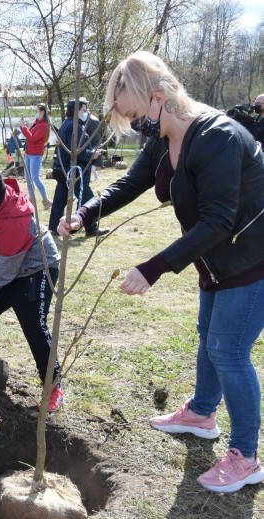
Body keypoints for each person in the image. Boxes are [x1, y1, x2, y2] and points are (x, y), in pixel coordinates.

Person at [60, 51, 264, 492]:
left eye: (135, 115)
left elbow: (219, 220)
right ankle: (202, 413)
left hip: (250, 256)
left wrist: (154, 268)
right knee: (209, 335)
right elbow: (131, 182)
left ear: (158, 98)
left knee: (228, 350)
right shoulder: (162, 135)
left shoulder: (218, 137)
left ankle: (246, 456)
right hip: (217, 257)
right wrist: (86, 212)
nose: (135, 126)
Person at [0, 162, 64, 412]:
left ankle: (53, 386)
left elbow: (5, 267)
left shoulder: (15, 218)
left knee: (33, 325)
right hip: (7, 265)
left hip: (37, 268)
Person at [48, 99, 107, 237]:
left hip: (62, 169)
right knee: (88, 199)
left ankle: (54, 228)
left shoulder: (65, 124)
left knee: (60, 199)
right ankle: (91, 229)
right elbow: (77, 152)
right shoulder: (76, 127)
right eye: (84, 110)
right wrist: (93, 154)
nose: (85, 113)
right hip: (72, 171)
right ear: (76, 111)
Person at [20, 103, 52, 209]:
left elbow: (32, 138)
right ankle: (32, 200)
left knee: (35, 178)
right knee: (28, 178)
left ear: (42, 112)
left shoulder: (44, 125)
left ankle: (45, 200)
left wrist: (24, 128)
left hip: (36, 155)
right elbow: (28, 135)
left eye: (36, 111)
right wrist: (23, 127)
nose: (35, 113)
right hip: (29, 153)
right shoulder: (36, 123)